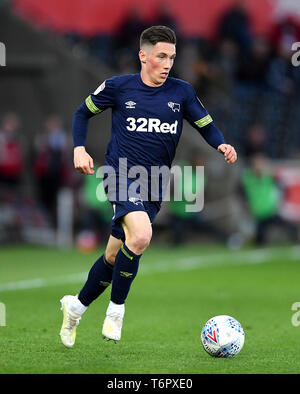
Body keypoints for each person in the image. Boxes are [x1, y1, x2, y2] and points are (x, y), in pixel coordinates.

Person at [59, 25, 237, 348]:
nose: (167, 63)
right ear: (144, 56)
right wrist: (79, 148)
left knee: (114, 256)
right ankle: (116, 313)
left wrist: (221, 145)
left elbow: (204, 123)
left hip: (155, 184)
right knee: (141, 236)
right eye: (161, 56)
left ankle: (76, 307)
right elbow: (81, 114)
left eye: (171, 57)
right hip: (119, 174)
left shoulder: (181, 92)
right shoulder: (119, 88)